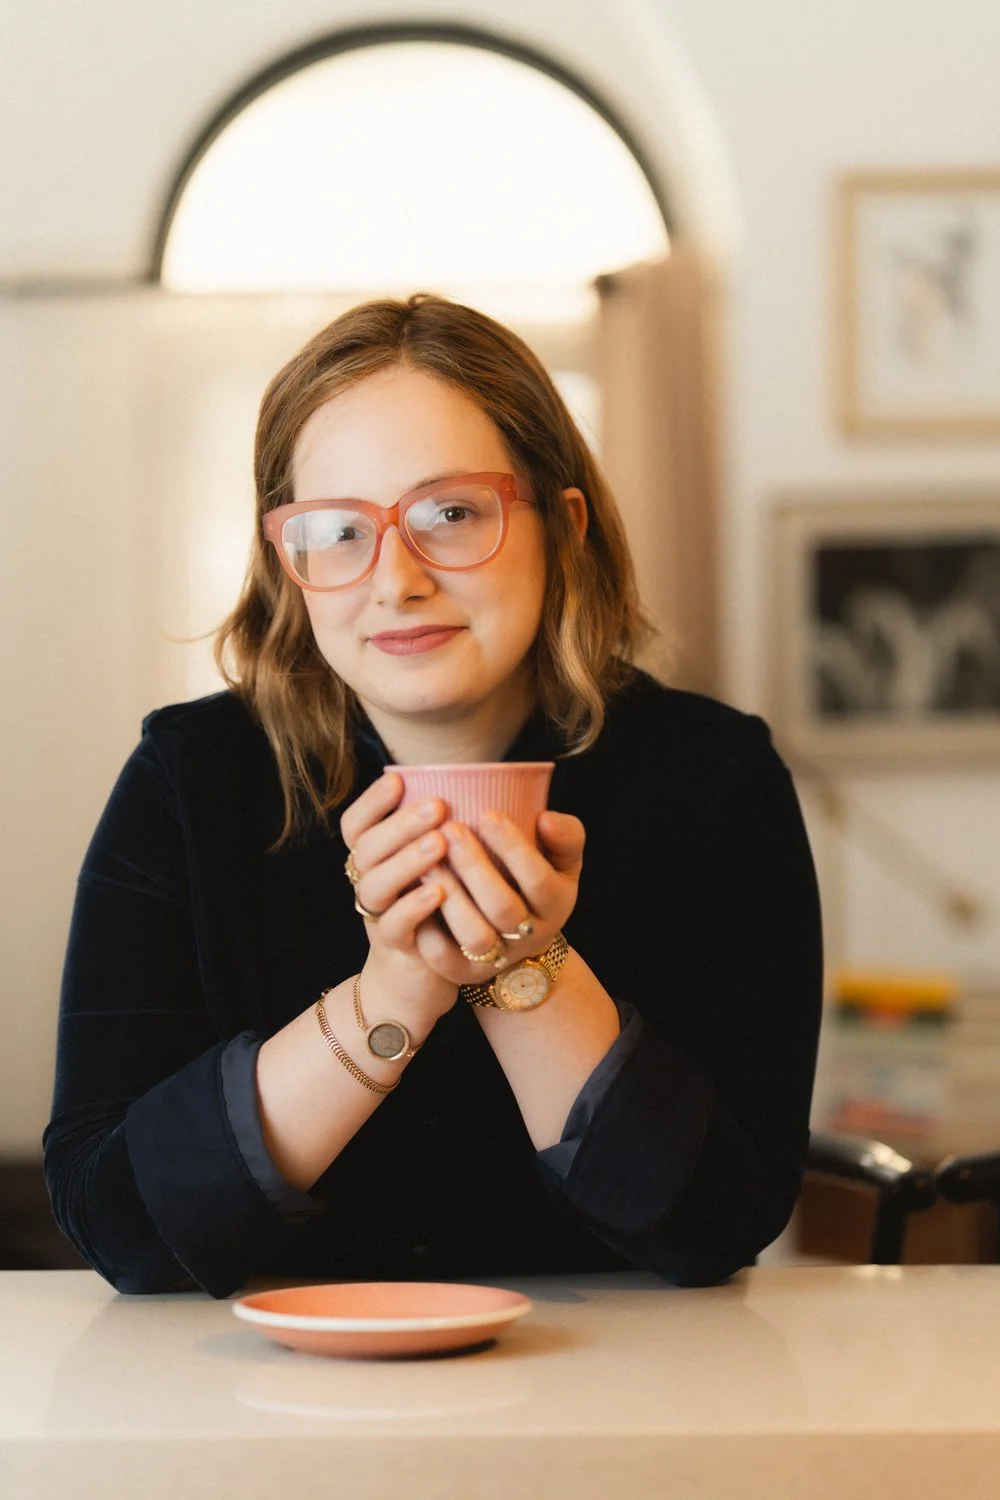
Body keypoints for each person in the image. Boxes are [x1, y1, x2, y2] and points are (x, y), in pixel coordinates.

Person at [43, 294, 823, 1298]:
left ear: (562, 525)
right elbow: (117, 1226)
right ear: (290, 563)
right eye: (337, 530)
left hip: (621, 1396)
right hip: (262, 1400)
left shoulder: (714, 780)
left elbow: (720, 1220)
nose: (395, 580)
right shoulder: (190, 783)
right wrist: (393, 995)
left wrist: (518, 965)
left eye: (451, 514)